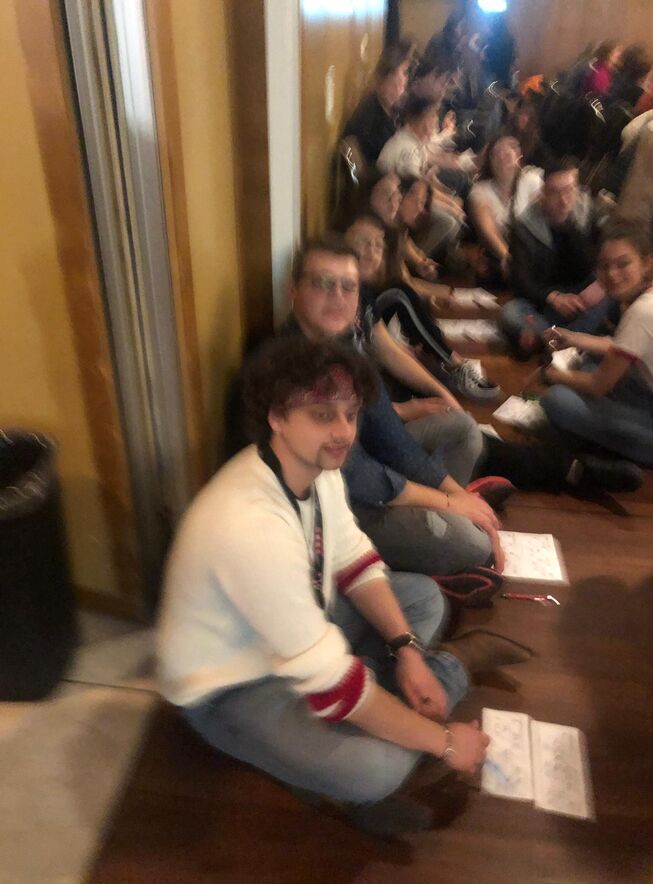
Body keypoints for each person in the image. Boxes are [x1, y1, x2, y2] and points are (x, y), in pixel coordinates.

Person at [158, 335, 535, 836]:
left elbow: (354, 558)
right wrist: (445, 743)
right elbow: (334, 686)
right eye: (322, 415)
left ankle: (387, 689)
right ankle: (450, 668)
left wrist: (407, 650)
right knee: (378, 769)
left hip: (297, 633)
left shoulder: (315, 466)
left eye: (350, 414)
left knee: (422, 598)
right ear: (276, 417)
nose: (342, 432)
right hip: (232, 685)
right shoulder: (249, 525)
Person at [281, 237, 504, 578]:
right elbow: (358, 477)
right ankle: (419, 545)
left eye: (348, 286)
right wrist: (445, 502)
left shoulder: (345, 346)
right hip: (334, 512)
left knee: (462, 428)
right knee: (474, 544)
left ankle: (436, 529)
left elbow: (390, 436)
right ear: (293, 290)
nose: (338, 296)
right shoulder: (288, 369)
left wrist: (457, 497)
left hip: (371, 473)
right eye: (323, 283)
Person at [541, 216, 653, 467]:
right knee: (591, 365)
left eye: (623, 264)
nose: (612, 275)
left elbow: (598, 386)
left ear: (647, 263)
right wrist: (574, 338)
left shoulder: (643, 311)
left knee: (557, 399)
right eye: (605, 266)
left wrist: (549, 374)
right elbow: (620, 345)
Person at [345, 211, 500, 401]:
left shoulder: (394, 237)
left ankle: (446, 364)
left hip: (376, 365)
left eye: (378, 245)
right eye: (363, 243)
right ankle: (450, 362)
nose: (371, 252)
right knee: (398, 294)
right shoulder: (349, 294)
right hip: (364, 391)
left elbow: (384, 343)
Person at [501, 157, 612, 355]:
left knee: (610, 295)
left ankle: (553, 340)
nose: (563, 200)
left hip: (583, 296)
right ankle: (570, 341)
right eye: (555, 192)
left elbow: (607, 255)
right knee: (510, 312)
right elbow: (520, 280)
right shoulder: (525, 226)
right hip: (546, 300)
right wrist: (553, 297)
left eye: (569, 190)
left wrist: (601, 284)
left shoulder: (588, 212)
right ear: (542, 193)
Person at [377, 96, 465, 258]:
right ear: (413, 119)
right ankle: (414, 260)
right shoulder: (408, 149)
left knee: (456, 206)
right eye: (429, 117)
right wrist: (450, 206)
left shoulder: (416, 141)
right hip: (396, 201)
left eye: (434, 116)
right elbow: (417, 191)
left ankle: (448, 257)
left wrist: (450, 198)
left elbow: (426, 182)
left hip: (409, 196)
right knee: (448, 221)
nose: (434, 121)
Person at [468, 134, 543, 284]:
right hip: (499, 253)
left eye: (508, 153)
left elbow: (542, 219)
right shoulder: (480, 190)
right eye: (496, 154)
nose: (502, 158)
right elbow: (487, 229)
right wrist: (508, 258)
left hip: (530, 250)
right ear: (490, 160)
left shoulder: (531, 181)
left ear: (518, 156)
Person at [342, 48, 408, 167]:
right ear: (388, 77)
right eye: (404, 72)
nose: (405, 80)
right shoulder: (368, 112)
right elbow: (354, 153)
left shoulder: (393, 109)